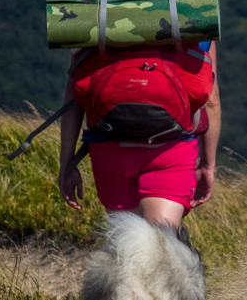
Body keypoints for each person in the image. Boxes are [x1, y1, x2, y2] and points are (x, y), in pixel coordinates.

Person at [57, 42, 220, 225]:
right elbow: (211, 98)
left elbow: (75, 92)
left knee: (128, 244)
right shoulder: (191, 19)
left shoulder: (94, 20)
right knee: (161, 241)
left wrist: (67, 161)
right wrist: (207, 166)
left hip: (110, 148)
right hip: (171, 150)